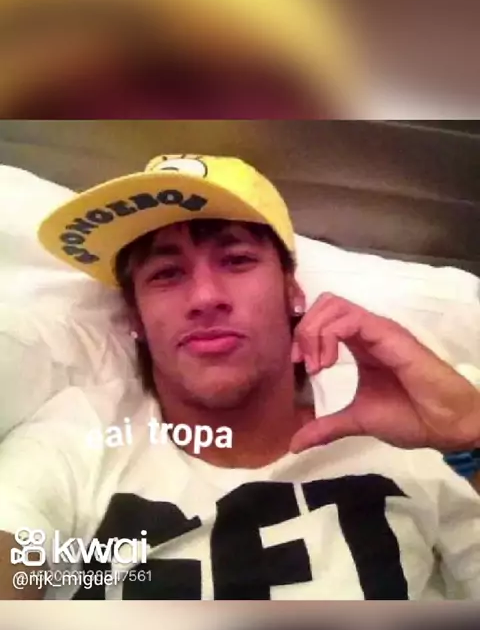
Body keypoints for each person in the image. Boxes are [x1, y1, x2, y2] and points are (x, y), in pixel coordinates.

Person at [1, 154, 479, 600]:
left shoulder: (418, 423)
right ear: (135, 318)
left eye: (236, 260)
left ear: (293, 292)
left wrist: (469, 441)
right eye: (166, 274)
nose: (205, 297)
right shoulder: (80, 435)